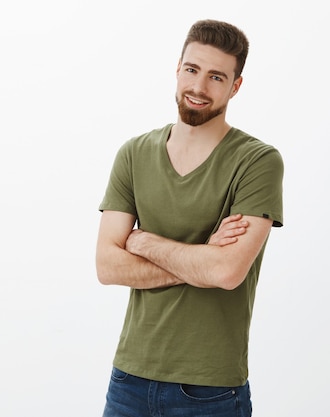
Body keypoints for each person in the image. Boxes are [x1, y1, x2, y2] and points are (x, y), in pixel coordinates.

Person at [96, 19, 283, 417]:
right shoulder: (134, 154)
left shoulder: (257, 161)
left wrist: (143, 242)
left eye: (216, 77)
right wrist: (202, 259)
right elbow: (108, 266)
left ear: (235, 87)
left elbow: (227, 272)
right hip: (129, 377)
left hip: (211, 390)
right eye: (192, 70)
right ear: (177, 68)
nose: (199, 87)